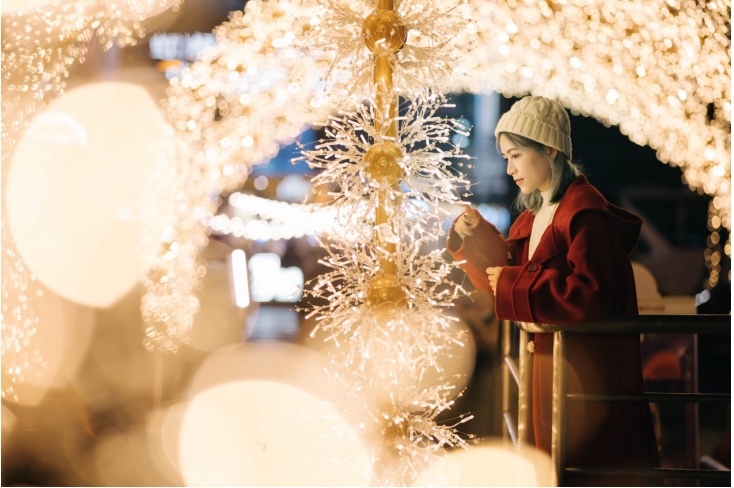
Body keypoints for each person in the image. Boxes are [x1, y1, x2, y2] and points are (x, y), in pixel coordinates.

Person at [447, 96, 660, 486]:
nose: (509, 169)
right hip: (561, 376)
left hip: (585, 383)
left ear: (548, 149)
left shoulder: (581, 215)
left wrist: (513, 283)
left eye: (515, 156)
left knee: (580, 471)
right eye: (506, 157)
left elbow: (592, 293)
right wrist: (474, 236)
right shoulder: (542, 211)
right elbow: (512, 270)